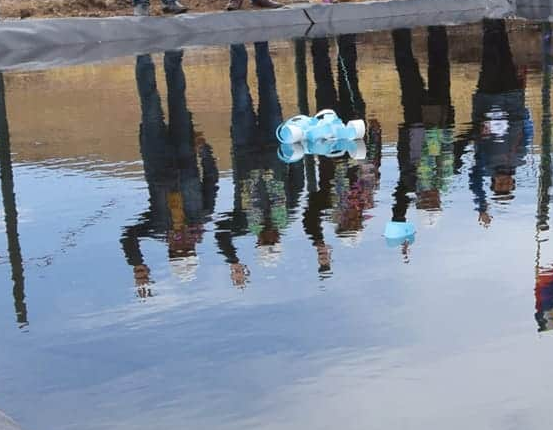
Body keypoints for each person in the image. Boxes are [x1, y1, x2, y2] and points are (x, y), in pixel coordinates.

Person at [119, 51, 220, 295]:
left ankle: (143, 55)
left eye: (179, 252)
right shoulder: (203, 215)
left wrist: (138, 264)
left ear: (170, 251)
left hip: (156, 156)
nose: (183, 245)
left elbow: (129, 237)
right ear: (195, 249)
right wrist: (204, 150)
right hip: (186, 152)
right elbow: (211, 179)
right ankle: (173, 52)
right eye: (187, 251)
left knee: (151, 104)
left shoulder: (156, 227)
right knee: (178, 99)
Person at [220, 41, 301, 286]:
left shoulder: (242, 223)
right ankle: (262, 42)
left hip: (244, 146)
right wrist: (294, 145)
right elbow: (297, 179)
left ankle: (236, 44)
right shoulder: (288, 214)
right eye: (272, 242)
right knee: (269, 89)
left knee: (240, 92)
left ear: (257, 243)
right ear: (279, 240)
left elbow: (221, 234)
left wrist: (233, 259)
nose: (269, 237)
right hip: (273, 141)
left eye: (265, 243)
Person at [304, 34, 380, 273]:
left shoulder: (327, 205)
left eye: (348, 224)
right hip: (354, 133)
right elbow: (373, 166)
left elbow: (309, 217)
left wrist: (319, 244)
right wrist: (375, 136)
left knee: (324, 82)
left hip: (329, 140)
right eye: (355, 224)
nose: (351, 219)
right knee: (351, 81)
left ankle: (319, 43)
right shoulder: (368, 198)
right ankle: (346, 38)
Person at [464, 19, 530, 226]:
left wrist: (482, 205)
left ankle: (489, 21)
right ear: (513, 182)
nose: (504, 182)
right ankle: (498, 20)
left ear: (492, 183)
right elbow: (527, 132)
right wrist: (523, 100)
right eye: (507, 185)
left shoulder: (484, 166)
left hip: (487, 99)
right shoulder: (520, 159)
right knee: (504, 53)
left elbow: (473, 181)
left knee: (490, 57)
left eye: (500, 186)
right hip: (512, 100)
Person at [391, 24, 457, 226]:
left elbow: (399, 200)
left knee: (407, 69)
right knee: (440, 68)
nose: (430, 198)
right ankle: (437, 26)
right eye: (434, 203)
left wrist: (399, 219)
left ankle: (400, 29)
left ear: (418, 201)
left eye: (426, 202)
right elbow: (456, 151)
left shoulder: (410, 182)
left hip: (415, 122)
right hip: (441, 119)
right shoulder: (446, 180)